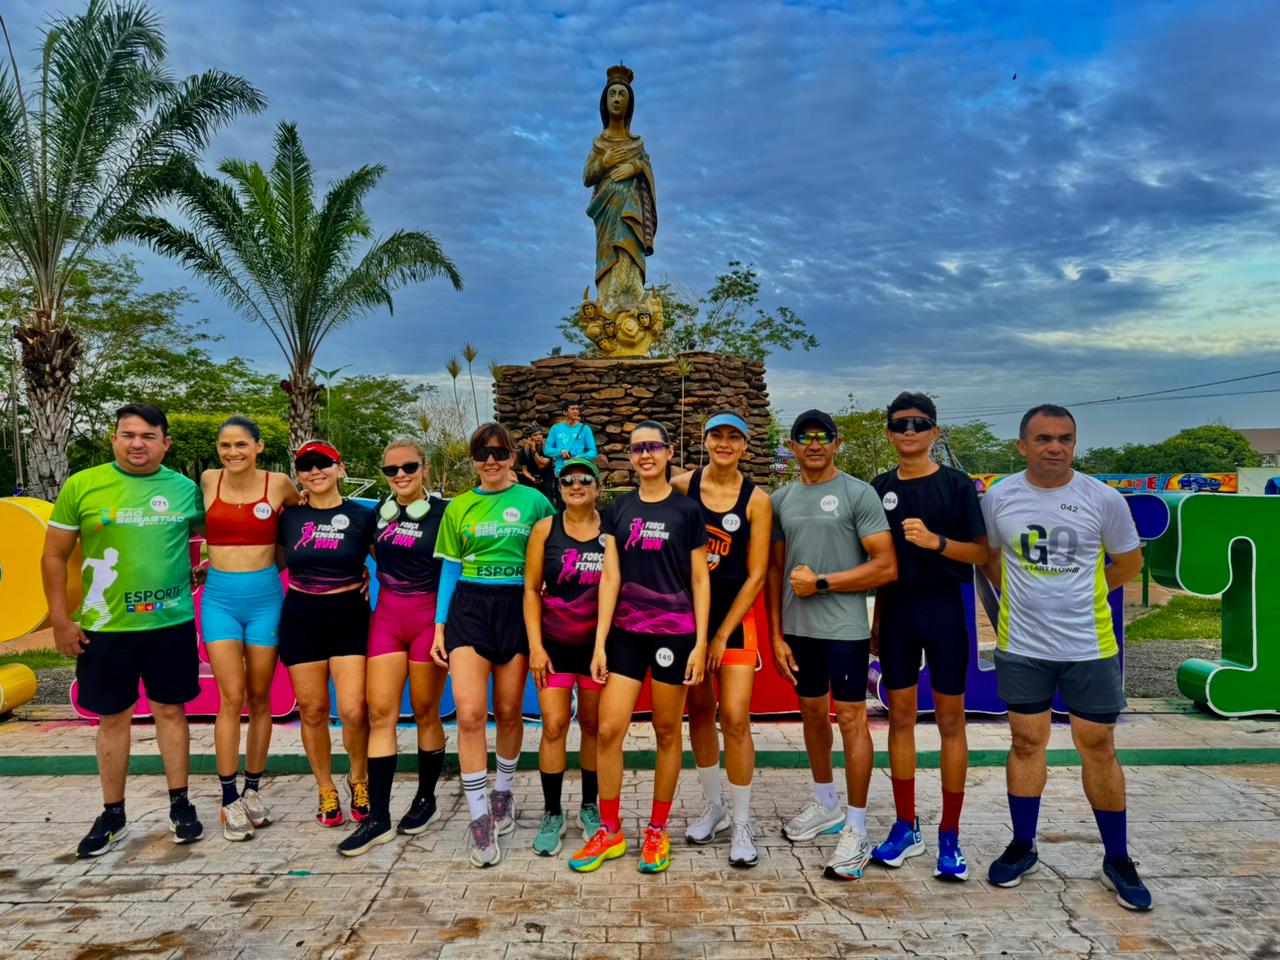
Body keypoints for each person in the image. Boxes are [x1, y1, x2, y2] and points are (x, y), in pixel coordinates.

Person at [980, 404, 1150, 910]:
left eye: (1065, 438)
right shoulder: (999, 498)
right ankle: (1022, 845)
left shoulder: (1102, 499)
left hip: (1090, 646)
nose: (1055, 447)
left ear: (1075, 444)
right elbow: (989, 556)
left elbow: (1129, 562)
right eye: (1043, 438)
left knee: (1097, 746)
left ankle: (1117, 858)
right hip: (1023, 646)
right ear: (1022, 445)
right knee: (1027, 742)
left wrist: (1084, 596)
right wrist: (1017, 593)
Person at [42, 403, 206, 856]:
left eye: (148, 436)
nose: (137, 443)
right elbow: (54, 556)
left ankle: (181, 805)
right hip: (105, 628)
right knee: (113, 718)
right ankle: (112, 813)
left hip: (170, 622)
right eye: (127, 434)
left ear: (165, 443)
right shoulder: (83, 485)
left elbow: (225, 536)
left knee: (171, 712)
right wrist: (60, 619)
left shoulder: (185, 490)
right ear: (113, 439)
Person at [569, 420, 710, 875]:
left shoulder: (687, 511)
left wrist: (701, 642)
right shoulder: (619, 509)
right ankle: (609, 831)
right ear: (629, 457)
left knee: (668, 732)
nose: (645, 454)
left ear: (668, 453)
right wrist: (599, 642)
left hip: (674, 633)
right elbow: (610, 576)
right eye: (636, 448)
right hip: (627, 634)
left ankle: (657, 828)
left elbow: (699, 579)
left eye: (653, 447)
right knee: (609, 730)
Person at [767, 409, 897, 881]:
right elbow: (774, 572)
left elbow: (885, 566)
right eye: (805, 437)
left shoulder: (857, 493)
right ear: (794, 445)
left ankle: (858, 827)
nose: (815, 444)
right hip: (798, 632)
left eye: (824, 437)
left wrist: (823, 583)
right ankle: (826, 805)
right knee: (811, 716)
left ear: (837, 444)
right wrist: (776, 635)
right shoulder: (780, 499)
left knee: (850, 718)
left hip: (844, 629)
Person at [868, 394, 988, 880]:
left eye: (919, 424)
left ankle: (950, 834)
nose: (909, 431)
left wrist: (936, 542)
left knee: (950, 721)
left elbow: (980, 553)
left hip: (942, 609)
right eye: (900, 425)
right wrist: (875, 622)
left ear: (935, 432)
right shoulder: (879, 487)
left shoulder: (957, 487)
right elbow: (876, 560)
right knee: (898, 717)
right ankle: (905, 825)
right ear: (891, 434)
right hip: (896, 611)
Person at [432, 423, 555, 867]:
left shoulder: (535, 502)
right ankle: (479, 816)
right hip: (469, 607)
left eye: (500, 454)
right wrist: (439, 625)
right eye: (482, 453)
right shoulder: (458, 507)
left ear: (512, 458)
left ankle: (503, 793)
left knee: (507, 710)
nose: (491, 461)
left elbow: (548, 561)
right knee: (468, 713)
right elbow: (449, 569)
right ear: (472, 458)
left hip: (517, 609)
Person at [339, 440, 451, 857]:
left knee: (425, 710)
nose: (400, 475)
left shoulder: (444, 513)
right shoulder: (377, 517)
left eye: (408, 467)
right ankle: (379, 818)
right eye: (391, 470)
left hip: (427, 621)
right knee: (379, 713)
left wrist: (445, 625)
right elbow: (359, 551)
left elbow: (455, 570)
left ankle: (426, 799)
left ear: (424, 467)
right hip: (387, 619)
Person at [671, 411, 772, 867]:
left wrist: (722, 633)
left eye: (734, 437)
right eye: (718, 436)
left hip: (732, 621)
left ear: (745, 446)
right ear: (705, 440)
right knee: (699, 711)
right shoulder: (682, 485)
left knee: (734, 716)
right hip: (688, 620)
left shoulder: (756, 500)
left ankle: (743, 819)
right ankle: (715, 808)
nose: (725, 443)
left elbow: (755, 576)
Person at [199, 416, 300, 841]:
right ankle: (227, 799)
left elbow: (304, 522)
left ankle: (253, 789)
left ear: (259, 446)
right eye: (225, 445)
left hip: (265, 600)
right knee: (231, 697)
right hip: (220, 599)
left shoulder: (278, 485)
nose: (232, 452)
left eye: (241, 444)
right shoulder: (207, 480)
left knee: (261, 699)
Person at [275, 440, 376, 832]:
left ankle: (359, 779)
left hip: (348, 614)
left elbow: (391, 561)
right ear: (298, 474)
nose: (315, 471)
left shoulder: (361, 515)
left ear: (340, 468)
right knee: (313, 710)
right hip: (301, 617)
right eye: (306, 466)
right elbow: (267, 559)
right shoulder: (289, 518)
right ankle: (325, 788)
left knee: (352, 710)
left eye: (323, 464)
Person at [523, 457, 606, 856]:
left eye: (584, 479)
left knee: (592, 725)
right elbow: (530, 590)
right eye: (568, 480)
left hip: (596, 648)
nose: (576, 485)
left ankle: (590, 807)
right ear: (559, 488)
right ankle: (552, 812)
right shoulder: (545, 530)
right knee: (554, 725)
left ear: (597, 487)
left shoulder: (611, 532)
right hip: (554, 645)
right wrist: (535, 646)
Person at [583, 63, 658, 315]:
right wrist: (606, 162)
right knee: (609, 253)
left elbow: (647, 170)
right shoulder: (599, 142)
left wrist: (635, 167)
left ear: (629, 103)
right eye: (612, 94)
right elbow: (587, 177)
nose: (616, 99)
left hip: (630, 212)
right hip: (606, 210)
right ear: (605, 101)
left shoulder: (637, 144)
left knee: (628, 244)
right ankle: (608, 299)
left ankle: (630, 294)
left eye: (622, 95)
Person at [544, 403, 597, 473]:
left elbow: (593, 451)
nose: (576, 411)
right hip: (561, 470)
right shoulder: (555, 428)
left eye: (577, 409)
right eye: (572, 409)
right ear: (565, 412)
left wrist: (581, 457)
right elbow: (547, 450)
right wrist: (560, 452)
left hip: (579, 468)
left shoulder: (585, 428)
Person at [518, 425, 557, 503]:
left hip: (546, 478)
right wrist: (532, 478)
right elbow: (524, 470)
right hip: (532, 478)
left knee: (547, 501)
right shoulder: (525, 451)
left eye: (540, 434)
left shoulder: (547, 448)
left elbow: (542, 465)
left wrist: (533, 450)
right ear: (530, 438)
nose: (539, 437)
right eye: (535, 435)